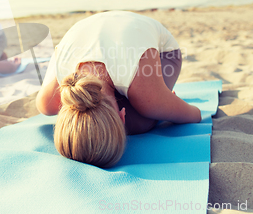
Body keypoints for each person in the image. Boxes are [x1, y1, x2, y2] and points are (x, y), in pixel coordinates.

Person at [36, 11, 201, 168]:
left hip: (164, 53)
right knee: (143, 110)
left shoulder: (147, 93)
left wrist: (165, 105)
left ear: (122, 117)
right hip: (103, 28)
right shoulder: (49, 100)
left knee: (140, 121)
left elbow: (195, 114)